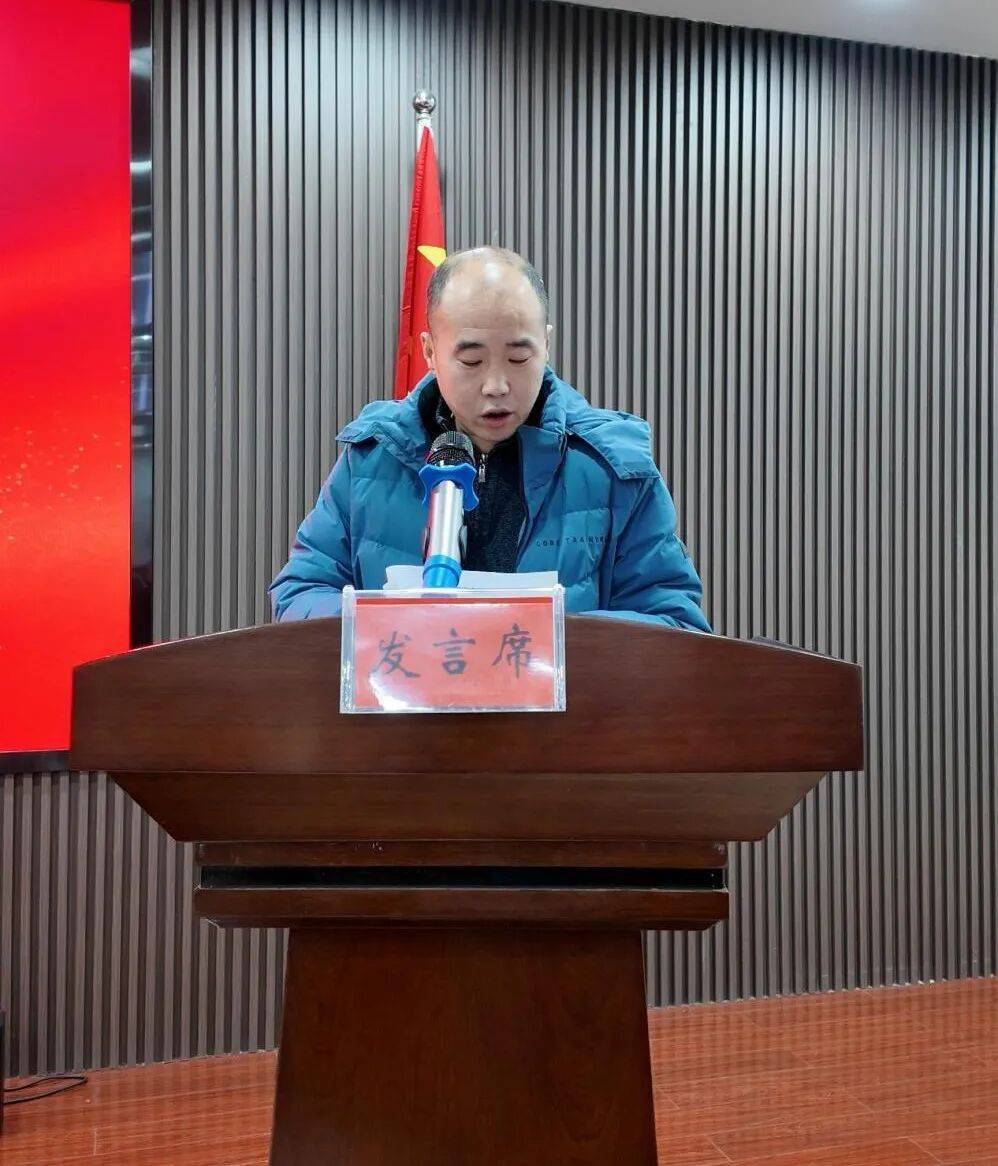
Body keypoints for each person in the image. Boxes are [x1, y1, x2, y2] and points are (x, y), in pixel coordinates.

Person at [269, 246, 710, 631]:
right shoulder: (372, 458)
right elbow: (301, 593)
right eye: (472, 361)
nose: (496, 385)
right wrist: (387, 629)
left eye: (519, 358)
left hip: (566, 705)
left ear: (546, 345)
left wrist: (550, 641)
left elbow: (673, 619)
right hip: (405, 702)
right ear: (429, 351)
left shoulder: (612, 466)